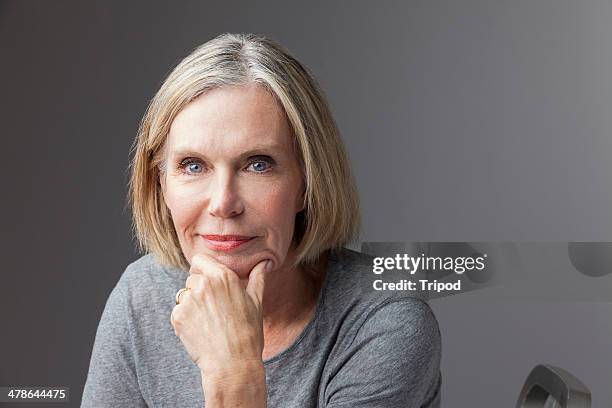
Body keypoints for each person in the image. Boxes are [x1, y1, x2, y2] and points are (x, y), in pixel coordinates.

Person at [81, 33, 442, 407]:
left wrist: (233, 373)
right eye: (193, 165)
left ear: (306, 183)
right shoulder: (141, 297)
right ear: (162, 185)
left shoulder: (384, 320)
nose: (223, 203)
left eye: (258, 164)